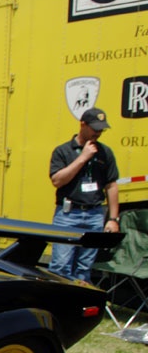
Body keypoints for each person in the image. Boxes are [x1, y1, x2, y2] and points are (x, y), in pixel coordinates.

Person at [48, 107, 121, 282]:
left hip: (94, 215)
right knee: (61, 265)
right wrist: (83, 158)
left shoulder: (105, 152)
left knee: (84, 267)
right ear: (83, 124)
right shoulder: (63, 151)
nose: (98, 133)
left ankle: (79, 305)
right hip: (68, 214)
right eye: (95, 129)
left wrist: (113, 219)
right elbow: (57, 181)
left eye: (101, 129)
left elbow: (111, 186)